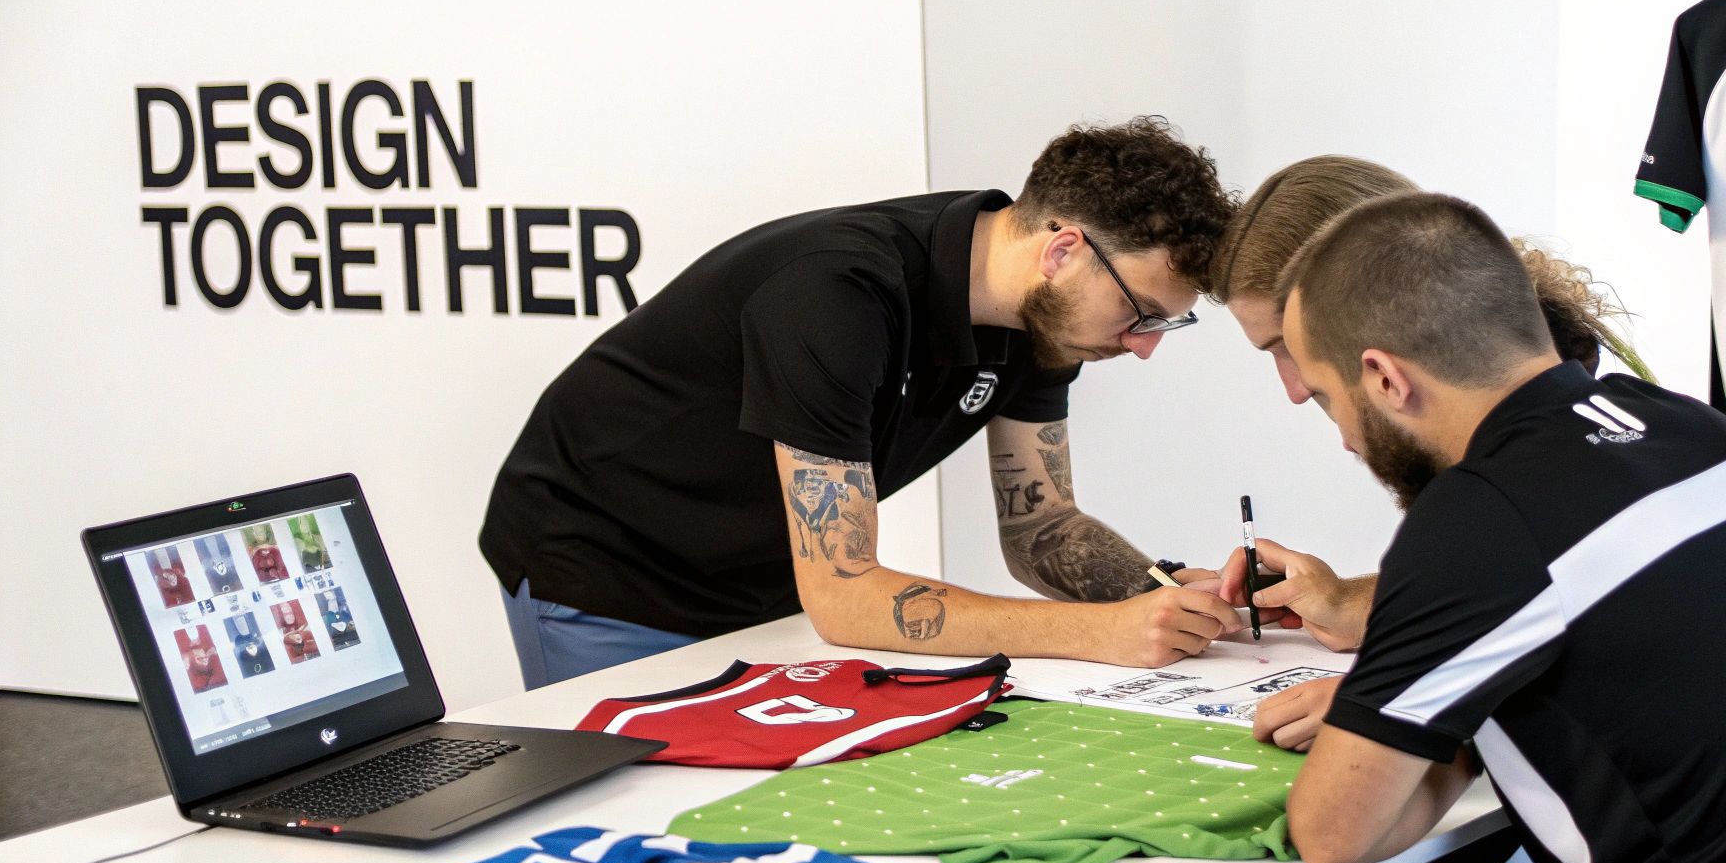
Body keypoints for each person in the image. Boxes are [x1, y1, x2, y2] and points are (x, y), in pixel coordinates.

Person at [481, 116, 1248, 689]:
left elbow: (1042, 528)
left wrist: (1169, 594)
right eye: (1142, 313)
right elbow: (847, 597)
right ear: (1062, 250)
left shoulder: (1042, 325)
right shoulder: (837, 294)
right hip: (607, 567)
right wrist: (1101, 634)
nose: (1144, 345)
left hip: (765, 580)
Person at [1266, 191, 1726, 863]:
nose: (1347, 443)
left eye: (1331, 402)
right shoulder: (1690, 424)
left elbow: (1333, 837)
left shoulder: (1482, 513)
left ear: (1386, 378)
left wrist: (1425, 715)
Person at [1193, 156, 1657, 751]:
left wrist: (1398, 696)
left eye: (1291, 346)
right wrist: (1349, 602)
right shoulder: (1616, 413)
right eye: (1271, 353)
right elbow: (1521, 582)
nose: (1296, 387)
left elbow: (1612, 627)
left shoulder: (1528, 453)